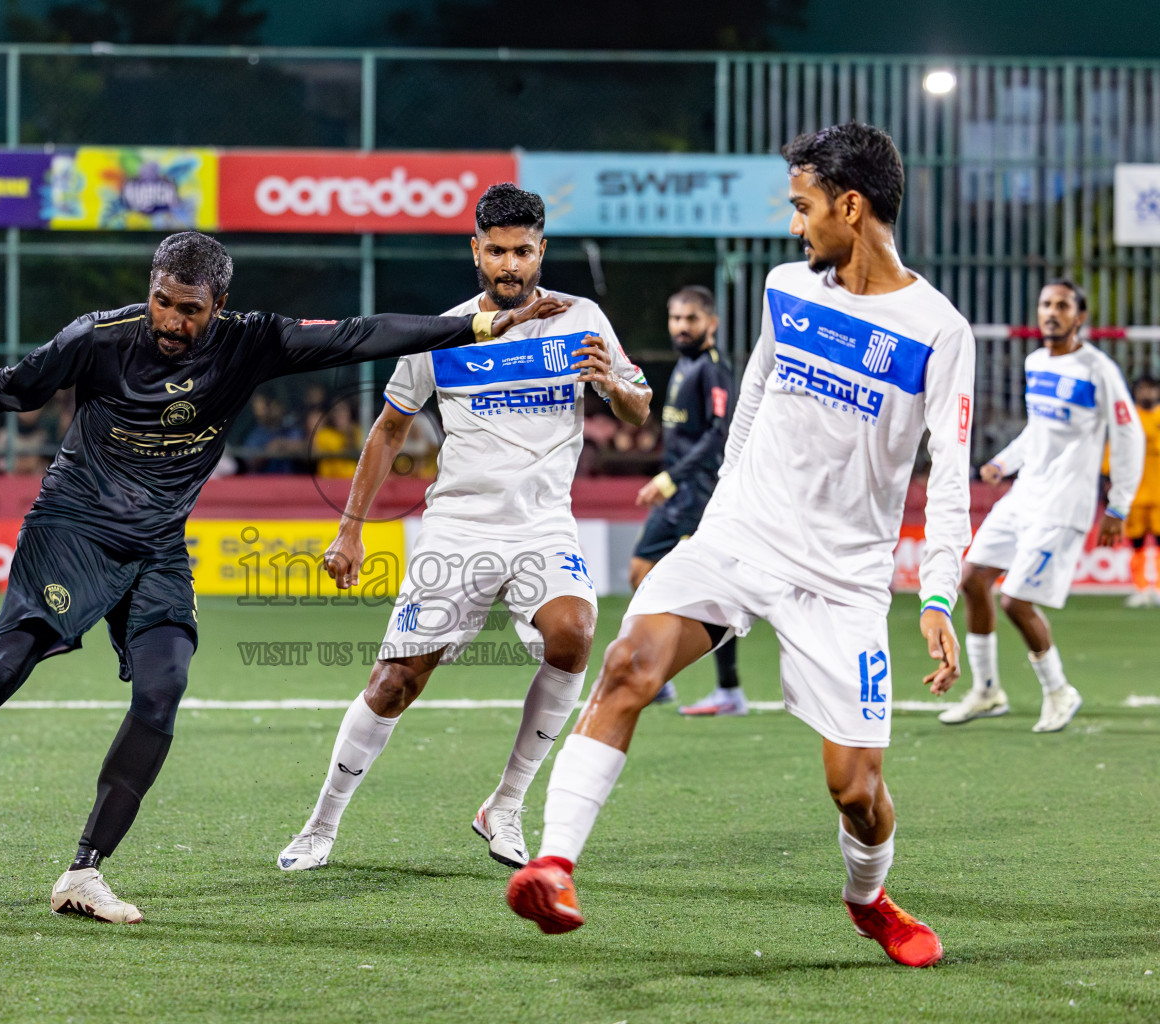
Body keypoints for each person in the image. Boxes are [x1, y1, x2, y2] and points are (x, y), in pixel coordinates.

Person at [0, 230, 568, 925]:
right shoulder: (101, 337)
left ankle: (84, 873)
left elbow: (361, 335)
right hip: (73, 529)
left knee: (161, 691)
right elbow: (15, 384)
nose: (172, 321)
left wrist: (478, 323)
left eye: (190, 310)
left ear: (218, 306)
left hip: (157, 545)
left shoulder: (249, 342)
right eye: (163, 302)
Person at [506, 124, 974, 969]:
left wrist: (937, 594)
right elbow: (754, 396)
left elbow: (949, 475)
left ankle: (869, 901)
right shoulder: (786, 286)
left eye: (804, 208)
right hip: (739, 537)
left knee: (856, 790)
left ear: (851, 205)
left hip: (843, 580)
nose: (796, 226)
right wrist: (720, 515)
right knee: (626, 667)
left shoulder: (937, 329)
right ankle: (554, 864)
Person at [277, 184, 650, 873]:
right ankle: (320, 825)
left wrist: (618, 387)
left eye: (524, 252)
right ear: (475, 250)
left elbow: (636, 408)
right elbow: (389, 429)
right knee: (396, 681)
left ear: (543, 251)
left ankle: (505, 806)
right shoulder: (443, 333)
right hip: (458, 528)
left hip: (543, 527)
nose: (511, 265)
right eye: (498, 251)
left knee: (572, 632)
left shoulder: (582, 319)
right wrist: (350, 529)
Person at [937, 280, 1143, 732]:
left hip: (1063, 506)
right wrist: (1003, 462)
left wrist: (1119, 504)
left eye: (1063, 305)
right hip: (1024, 495)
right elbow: (1039, 432)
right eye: (1046, 304)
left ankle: (1058, 691)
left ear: (1079, 316)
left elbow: (1129, 436)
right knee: (972, 579)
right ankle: (988, 690)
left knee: (1015, 600)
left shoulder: (1097, 369)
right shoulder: (1035, 362)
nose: (1052, 312)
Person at [629, 285, 742, 715]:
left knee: (712, 592)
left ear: (710, 323)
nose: (681, 326)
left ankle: (728, 690)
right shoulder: (685, 365)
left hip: (698, 495)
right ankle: (662, 679)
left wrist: (669, 478)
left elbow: (719, 434)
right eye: (675, 318)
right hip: (676, 494)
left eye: (691, 319)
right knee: (641, 572)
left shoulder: (714, 369)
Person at [1122, 376, 1160, 607]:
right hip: (1133, 493)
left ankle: (1158, 588)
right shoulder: (1127, 417)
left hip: (1159, 493)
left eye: (1152, 389)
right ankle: (1141, 588)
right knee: (1136, 543)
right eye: (1143, 389)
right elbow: (1113, 452)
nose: (1147, 394)